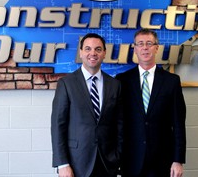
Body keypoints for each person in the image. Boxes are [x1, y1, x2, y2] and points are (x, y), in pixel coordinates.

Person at [116, 28, 186, 177]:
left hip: (162, 161)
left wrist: (178, 160)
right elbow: (118, 123)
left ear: (156, 48)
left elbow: (178, 123)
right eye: (140, 44)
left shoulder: (171, 81)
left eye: (149, 43)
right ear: (134, 49)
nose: (145, 48)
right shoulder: (122, 80)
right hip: (130, 160)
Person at [51, 33, 123, 177]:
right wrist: (62, 164)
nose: (93, 53)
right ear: (81, 52)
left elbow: (120, 124)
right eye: (88, 49)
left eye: (98, 49)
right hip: (76, 163)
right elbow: (58, 125)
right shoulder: (66, 84)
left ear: (104, 53)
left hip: (107, 163)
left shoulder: (115, 84)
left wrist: (118, 156)